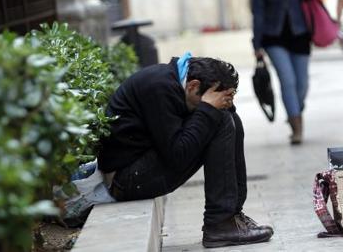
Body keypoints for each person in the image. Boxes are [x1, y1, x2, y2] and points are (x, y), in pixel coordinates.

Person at [97, 54, 274, 248]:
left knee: (228, 117)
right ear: (192, 86)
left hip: (143, 167)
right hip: (125, 180)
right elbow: (177, 156)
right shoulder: (159, 87)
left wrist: (223, 102)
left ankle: (232, 215)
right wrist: (208, 107)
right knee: (220, 120)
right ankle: (219, 223)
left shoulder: (180, 81)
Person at [250, 0, 319, 145]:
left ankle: (294, 110)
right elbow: (257, 9)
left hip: (300, 33)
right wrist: (257, 43)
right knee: (287, 81)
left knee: (302, 84)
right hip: (273, 36)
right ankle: (297, 126)